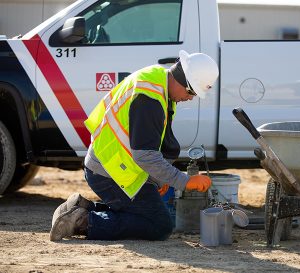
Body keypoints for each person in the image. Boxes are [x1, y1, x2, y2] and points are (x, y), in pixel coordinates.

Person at [50, 50, 219, 241]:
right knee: (159, 225)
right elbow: (145, 155)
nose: (190, 98)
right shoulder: (150, 99)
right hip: (109, 173)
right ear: (183, 81)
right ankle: (83, 220)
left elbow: (153, 143)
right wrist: (184, 181)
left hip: (111, 165)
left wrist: (157, 179)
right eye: (192, 92)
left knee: (147, 214)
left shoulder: (157, 79)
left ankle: (81, 208)